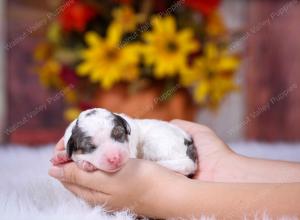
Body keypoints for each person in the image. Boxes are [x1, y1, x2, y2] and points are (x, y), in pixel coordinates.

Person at [49, 119, 300, 219]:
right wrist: (227, 167)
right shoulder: (109, 127)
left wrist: (166, 196)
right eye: (91, 147)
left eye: (117, 138)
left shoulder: (128, 126)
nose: (114, 155)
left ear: (124, 129)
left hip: (176, 153)